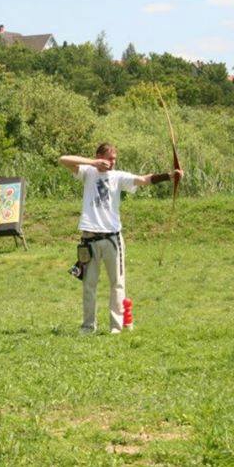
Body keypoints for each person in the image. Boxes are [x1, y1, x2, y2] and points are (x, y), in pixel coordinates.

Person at [60, 143, 184, 335]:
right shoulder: (88, 172)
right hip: (89, 238)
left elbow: (143, 180)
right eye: (109, 158)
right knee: (89, 284)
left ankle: (116, 327)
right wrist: (93, 163)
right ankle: (88, 327)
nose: (112, 162)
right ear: (99, 156)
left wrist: (169, 176)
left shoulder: (118, 176)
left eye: (114, 159)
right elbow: (63, 160)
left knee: (117, 283)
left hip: (112, 237)